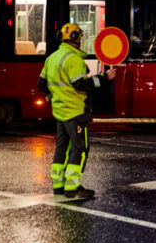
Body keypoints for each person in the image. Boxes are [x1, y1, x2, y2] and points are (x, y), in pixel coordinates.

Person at [38, 23, 116, 199]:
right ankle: (73, 187)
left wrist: (53, 99)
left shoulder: (53, 58)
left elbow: (41, 84)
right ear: (76, 38)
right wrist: (103, 78)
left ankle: (58, 185)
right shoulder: (74, 59)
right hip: (76, 112)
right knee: (80, 149)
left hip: (60, 112)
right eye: (80, 36)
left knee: (62, 148)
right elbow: (81, 84)